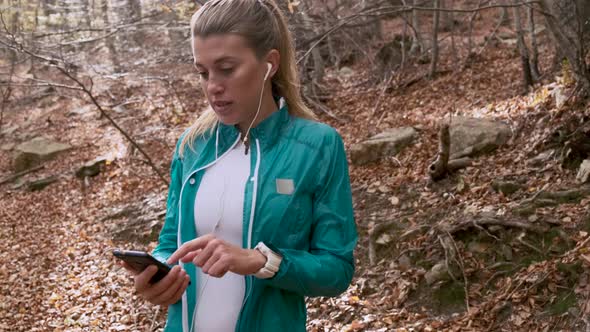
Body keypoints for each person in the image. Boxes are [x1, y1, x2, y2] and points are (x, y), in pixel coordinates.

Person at [120, 0, 357, 331]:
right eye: (203, 72)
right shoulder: (192, 146)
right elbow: (171, 243)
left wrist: (262, 261)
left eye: (227, 69)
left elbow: (336, 269)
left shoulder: (317, 146)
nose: (212, 86)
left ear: (268, 64)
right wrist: (158, 277)